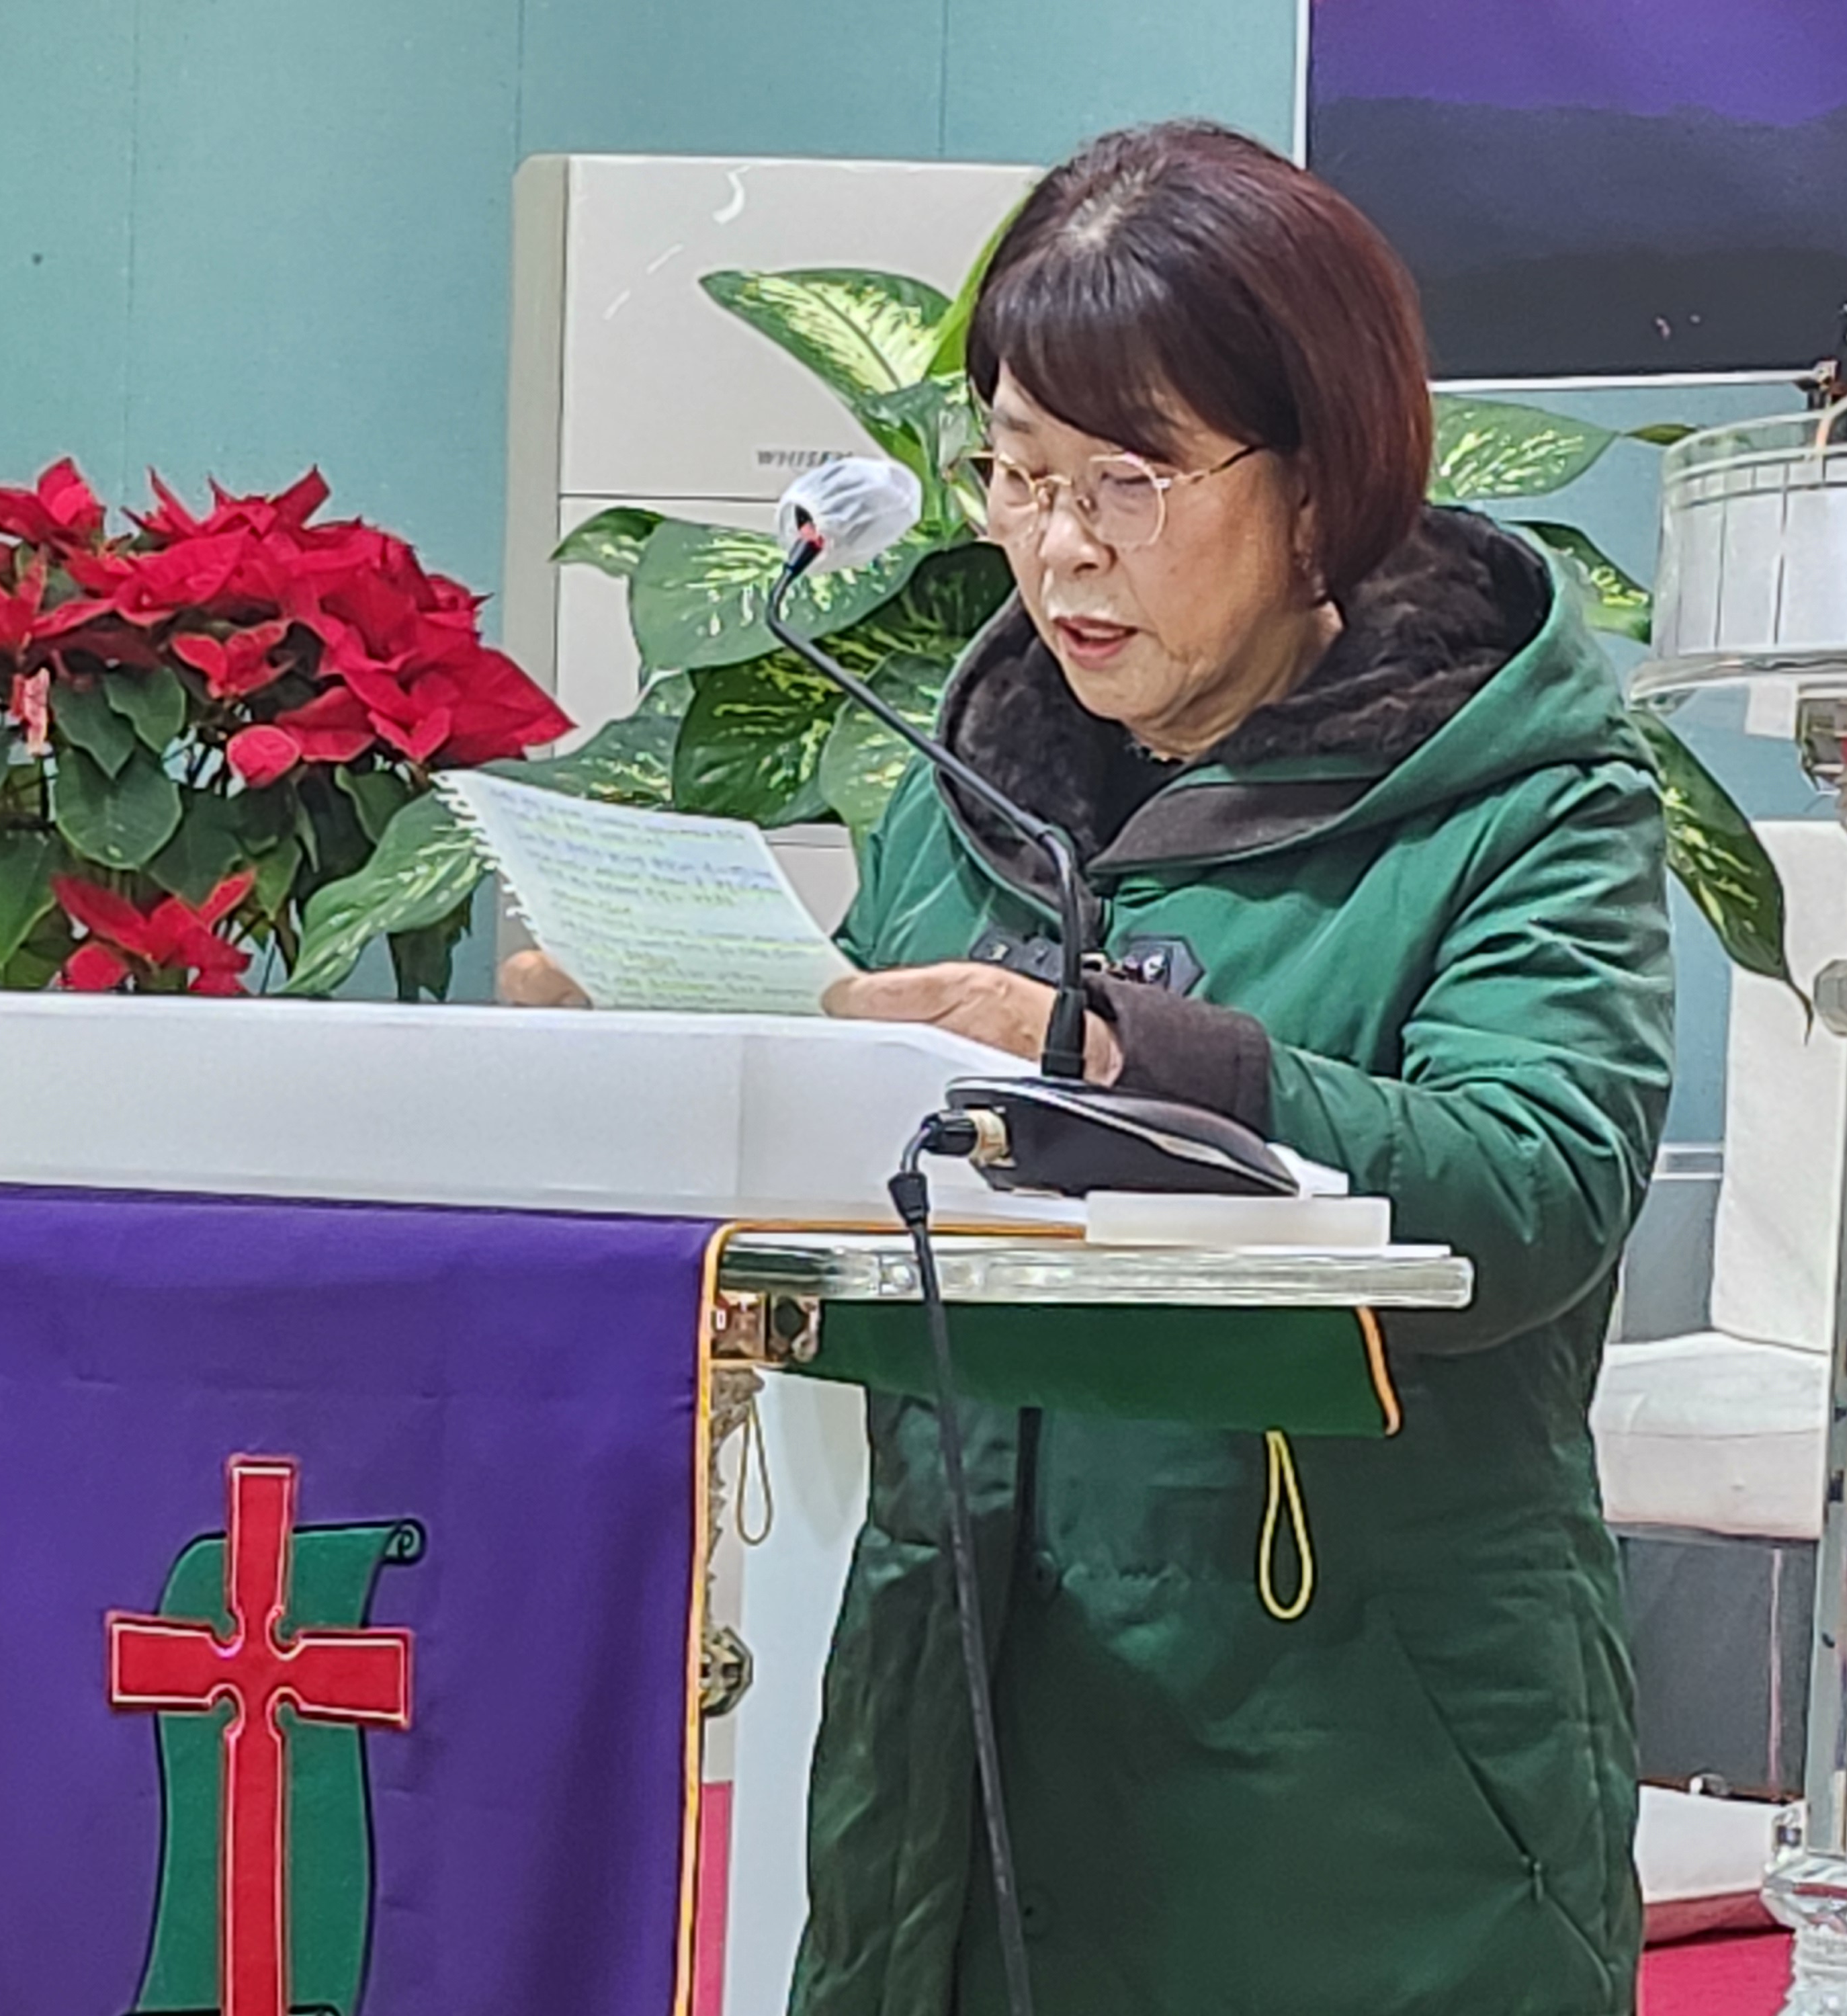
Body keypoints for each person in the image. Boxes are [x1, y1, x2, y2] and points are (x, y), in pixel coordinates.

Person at [507, 119, 1672, 2016]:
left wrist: (1122, 1055)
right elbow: (879, 1197)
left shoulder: (1520, 798)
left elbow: (1532, 1191)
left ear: (1322, 481)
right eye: (1018, 473)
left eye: (1129, 480)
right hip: (950, 1754)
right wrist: (659, 1081)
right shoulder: (970, 790)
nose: (1058, 548)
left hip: (1351, 1778)